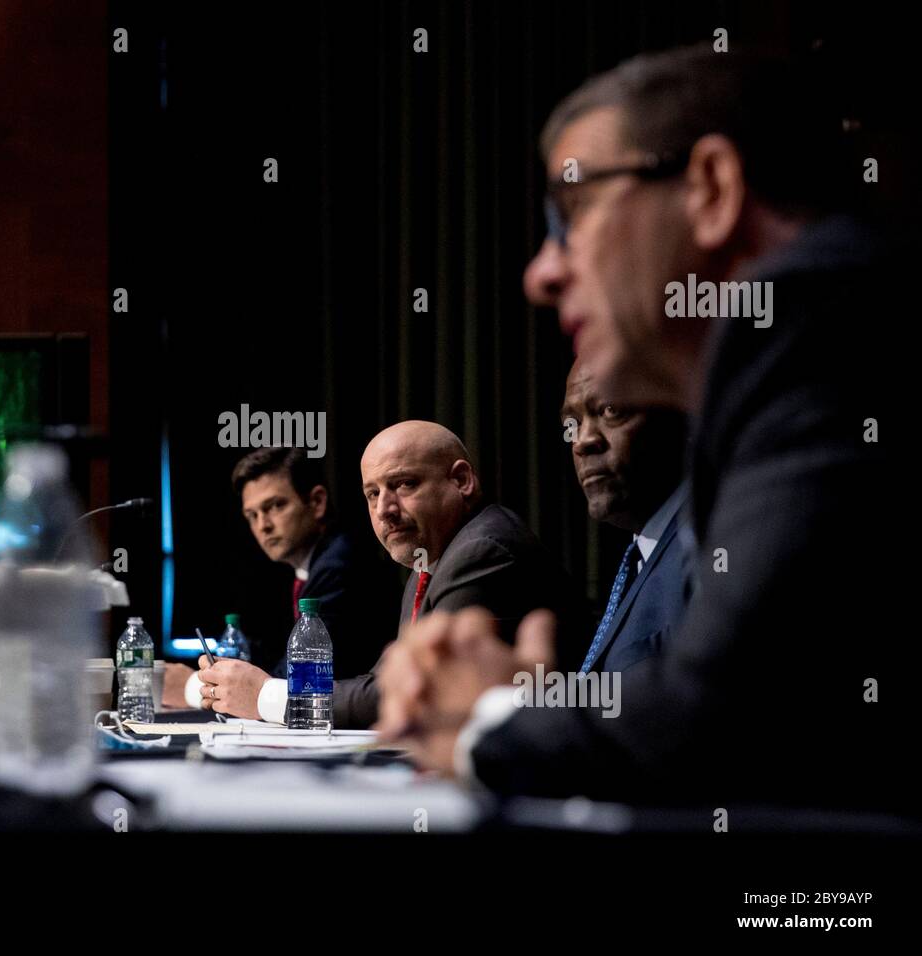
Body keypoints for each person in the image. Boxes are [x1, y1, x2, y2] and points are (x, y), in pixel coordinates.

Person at [376, 45, 910, 811]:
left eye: (572, 213)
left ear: (712, 189)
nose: (541, 273)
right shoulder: (787, 362)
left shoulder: (835, 334)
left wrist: (490, 717)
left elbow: (722, 720)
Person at [196, 421, 588, 727]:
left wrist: (268, 696)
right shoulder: (428, 561)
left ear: (462, 481)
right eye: (372, 493)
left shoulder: (482, 550)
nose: (385, 509)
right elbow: (381, 681)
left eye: (403, 484)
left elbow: (411, 692)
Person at [162, 447, 398, 709]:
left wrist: (192, 686)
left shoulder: (339, 566)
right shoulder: (308, 567)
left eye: (275, 506)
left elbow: (293, 681)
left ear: (317, 502)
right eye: (252, 515)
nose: (263, 525)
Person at [560, 360, 689, 673]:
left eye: (611, 410)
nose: (582, 441)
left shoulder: (707, 551)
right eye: (573, 424)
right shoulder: (642, 554)